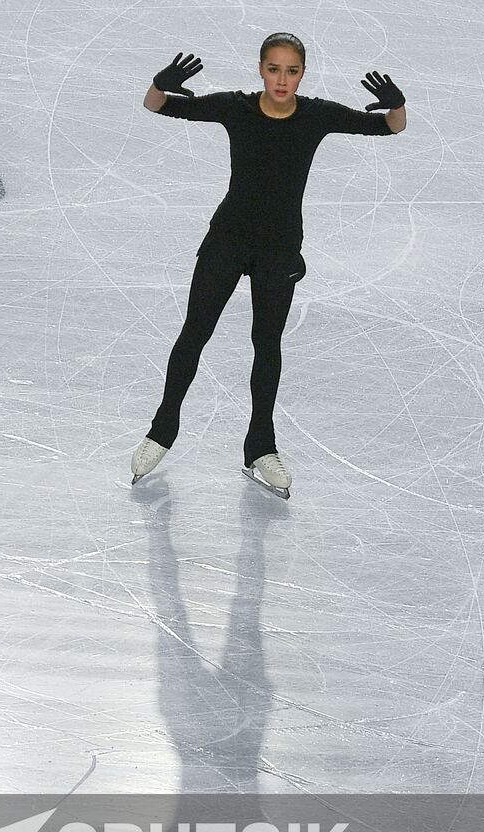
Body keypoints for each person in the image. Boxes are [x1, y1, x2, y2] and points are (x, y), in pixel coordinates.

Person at [130, 33, 406, 498]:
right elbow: (156, 106)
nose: (282, 79)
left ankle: (260, 446)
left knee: (267, 344)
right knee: (195, 332)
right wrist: (160, 83)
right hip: (227, 241)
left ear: (302, 74)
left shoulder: (316, 115)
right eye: (274, 69)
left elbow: (391, 127)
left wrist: (395, 103)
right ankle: (161, 432)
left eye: (292, 70)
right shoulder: (237, 107)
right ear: (261, 69)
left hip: (279, 249)